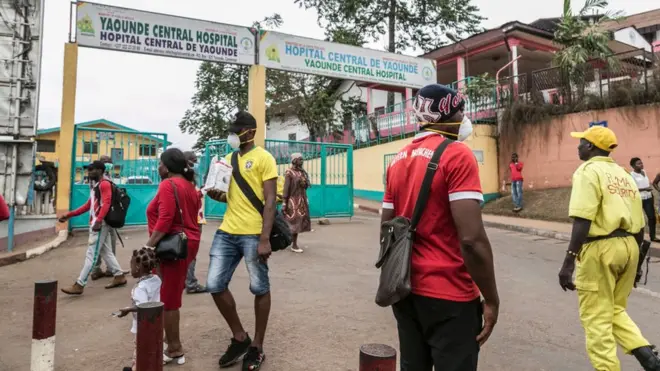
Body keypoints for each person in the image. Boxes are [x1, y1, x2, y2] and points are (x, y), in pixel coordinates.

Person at [381, 84, 499, 371]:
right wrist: (492, 299)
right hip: (450, 295)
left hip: (406, 290)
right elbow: (471, 239)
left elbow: (386, 227)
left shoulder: (398, 159)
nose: (464, 117)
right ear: (445, 114)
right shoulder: (457, 154)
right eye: (460, 111)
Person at [558, 126, 660, 371]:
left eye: (581, 142)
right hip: (629, 246)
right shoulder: (623, 174)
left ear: (591, 146)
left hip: (600, 248)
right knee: (614, 309)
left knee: (595, 317)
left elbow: (583, 218)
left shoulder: (587, 171)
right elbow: (639, 223)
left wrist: (569, 261)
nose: (578, 146)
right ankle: (647, 356)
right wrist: (633, 264)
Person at [205, 111, 277, 370]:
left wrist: (264, 238)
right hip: (227, 231)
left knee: (260, 287)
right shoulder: (227, 159)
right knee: (214, 284)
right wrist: (216, 196)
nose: (233, 135)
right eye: (232, 131)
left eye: (238, 130)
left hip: (253, 233)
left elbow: (270, 200)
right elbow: (230, 196)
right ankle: (240, 337)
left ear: (251, 132)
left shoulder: (264, 158)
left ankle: (257, 346)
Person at [145, 148, 201, 365]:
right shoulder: (190, 186)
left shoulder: (168, 184)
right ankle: (169, 339)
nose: (158, 167)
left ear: (167, 166)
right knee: (169, 292)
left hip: (172, 246)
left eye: (160, 163)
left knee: (169, 298)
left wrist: (148, 246)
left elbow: (166, 218)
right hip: (186, 242)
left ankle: (175, 348)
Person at [58, 161, 127, 295]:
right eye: (88, 170)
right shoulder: (96, 186)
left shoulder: (104, 184)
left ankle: (80, 284)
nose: (89, 173)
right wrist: (69, 215)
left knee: (91, 255)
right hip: (97, 223)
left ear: (100, 171)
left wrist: (99, 221)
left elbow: (106, 203)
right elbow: (88, 206)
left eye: (92, 170)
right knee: (105, 252)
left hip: (98, 225)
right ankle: (119, 276)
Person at [116, 247, 161, 371]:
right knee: (152, 350)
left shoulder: (140, 288)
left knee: (140, 353)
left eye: (131, 265)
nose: (130, 269)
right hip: (156, 323)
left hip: (143, 327)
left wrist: (128, 310)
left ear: (137, 268)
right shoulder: (156, 279)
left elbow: (143, 307)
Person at [182, 151, 208, 294]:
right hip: (192, 220)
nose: (196, 163)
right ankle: (190, 283)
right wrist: (202, 192)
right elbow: (191, 198)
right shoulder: (186, 180)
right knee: (190, 253)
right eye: (193, 160)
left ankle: (186, 280)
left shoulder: (189, 178)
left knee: (187, 252)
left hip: (194, 218)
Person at [91, 154, 120, 280]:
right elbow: (105, 201)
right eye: (105, 162)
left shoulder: (107, 178)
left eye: (109, 161)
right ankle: (99, 269)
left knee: (104, 244)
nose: (108, 164)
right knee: (100, 244)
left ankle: (109, 269)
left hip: (103, 215)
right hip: (104, 216)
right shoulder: (101, 180)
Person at [282, 153, 311, 253]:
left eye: (302, 160)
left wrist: (305, 182)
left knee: (298, 223)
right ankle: (292, 244)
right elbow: (286, 189)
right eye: (300, 159)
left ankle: (293, 243)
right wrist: (284, 202)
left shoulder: (302, 173)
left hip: (301, 201)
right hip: (292, 201)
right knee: (292, 222)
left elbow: (305, 187)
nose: (302, 161)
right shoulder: (289, 173)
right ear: (294, 160)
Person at [631, 157, 658, 242]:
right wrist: (645, 189)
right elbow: (632, 188)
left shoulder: (644, 172)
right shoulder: (631, 175)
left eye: (641, 163)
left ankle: (653, 236)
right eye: (638, 164)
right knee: (639, 218)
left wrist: (649, 192)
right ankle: (638, 238)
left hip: (648, 198)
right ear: (633, 166)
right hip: (639, 199)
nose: (641, 165)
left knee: (652, 217)